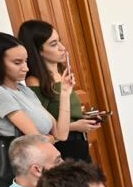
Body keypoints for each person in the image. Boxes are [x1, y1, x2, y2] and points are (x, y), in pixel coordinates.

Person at [17, 19, 100, 161]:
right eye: (54, 44)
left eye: (59, 41)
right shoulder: (34, 81)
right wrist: (75, 126)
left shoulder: (62, 74)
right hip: (62, 147)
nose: (62, 48)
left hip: (80, 142)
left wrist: (86, 119)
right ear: (39, 51)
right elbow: (41, 126)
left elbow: (64, 111)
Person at [0, 32, 74, 142]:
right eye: (17, 62)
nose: (26, 68)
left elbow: (61, 135)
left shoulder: (24, 90)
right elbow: (38, 140)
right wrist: (52, 138)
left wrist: (65, 93)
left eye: (26, 61)